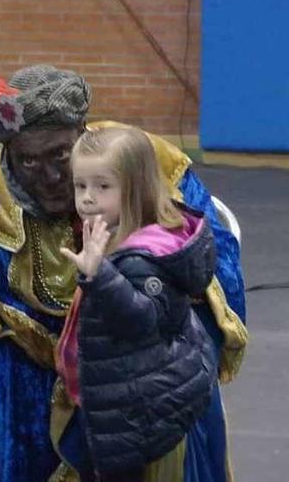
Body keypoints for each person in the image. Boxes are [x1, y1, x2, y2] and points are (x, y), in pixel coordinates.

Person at [0, 65, 248, 482]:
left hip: (146, 372)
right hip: (40, 380)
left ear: (82, 134)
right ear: (9, 155)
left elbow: (211, 266)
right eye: (29, 160)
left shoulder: (139, 162)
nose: (54, 177)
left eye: (61, 154)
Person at [54, 126, 218, 481]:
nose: (87, 198)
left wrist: (99, 276)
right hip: (120, 398)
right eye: (80, 185)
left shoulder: (146, 256)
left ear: (136, 188)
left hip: (143, 415)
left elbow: (143, 319)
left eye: (103, 186)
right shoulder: (115, 238)